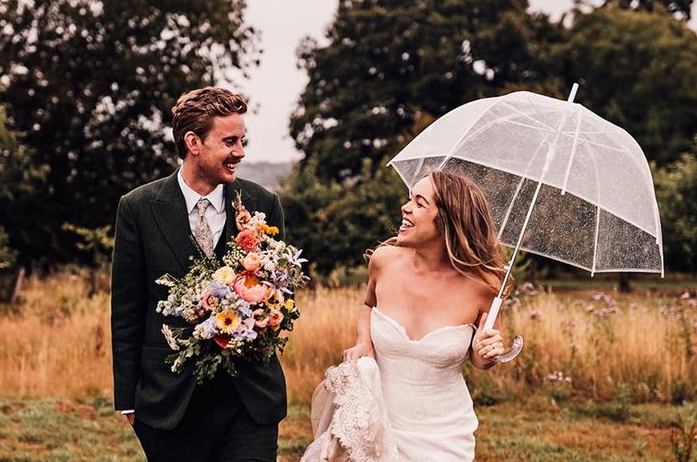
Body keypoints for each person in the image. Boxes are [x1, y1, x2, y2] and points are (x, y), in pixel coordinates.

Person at [111, 87, 287, 462]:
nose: (240, 151)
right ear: (193, 142)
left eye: (242, 140)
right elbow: (127, 308)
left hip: (249, 400)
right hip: (171, 403)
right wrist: (127, 398)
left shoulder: (263, 204)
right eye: (229, 141)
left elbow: (280, 296)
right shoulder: (138, 208)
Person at [303, 170, 509, 462]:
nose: (405, 207)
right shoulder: (383, 262)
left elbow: (481, 360)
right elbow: (368, 305)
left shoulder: (484, 286)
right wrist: (364, 342)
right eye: (409, 198)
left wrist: (485, 353)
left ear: (448, 219)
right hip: (377, 426)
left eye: (420, 202)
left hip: (444, 437)